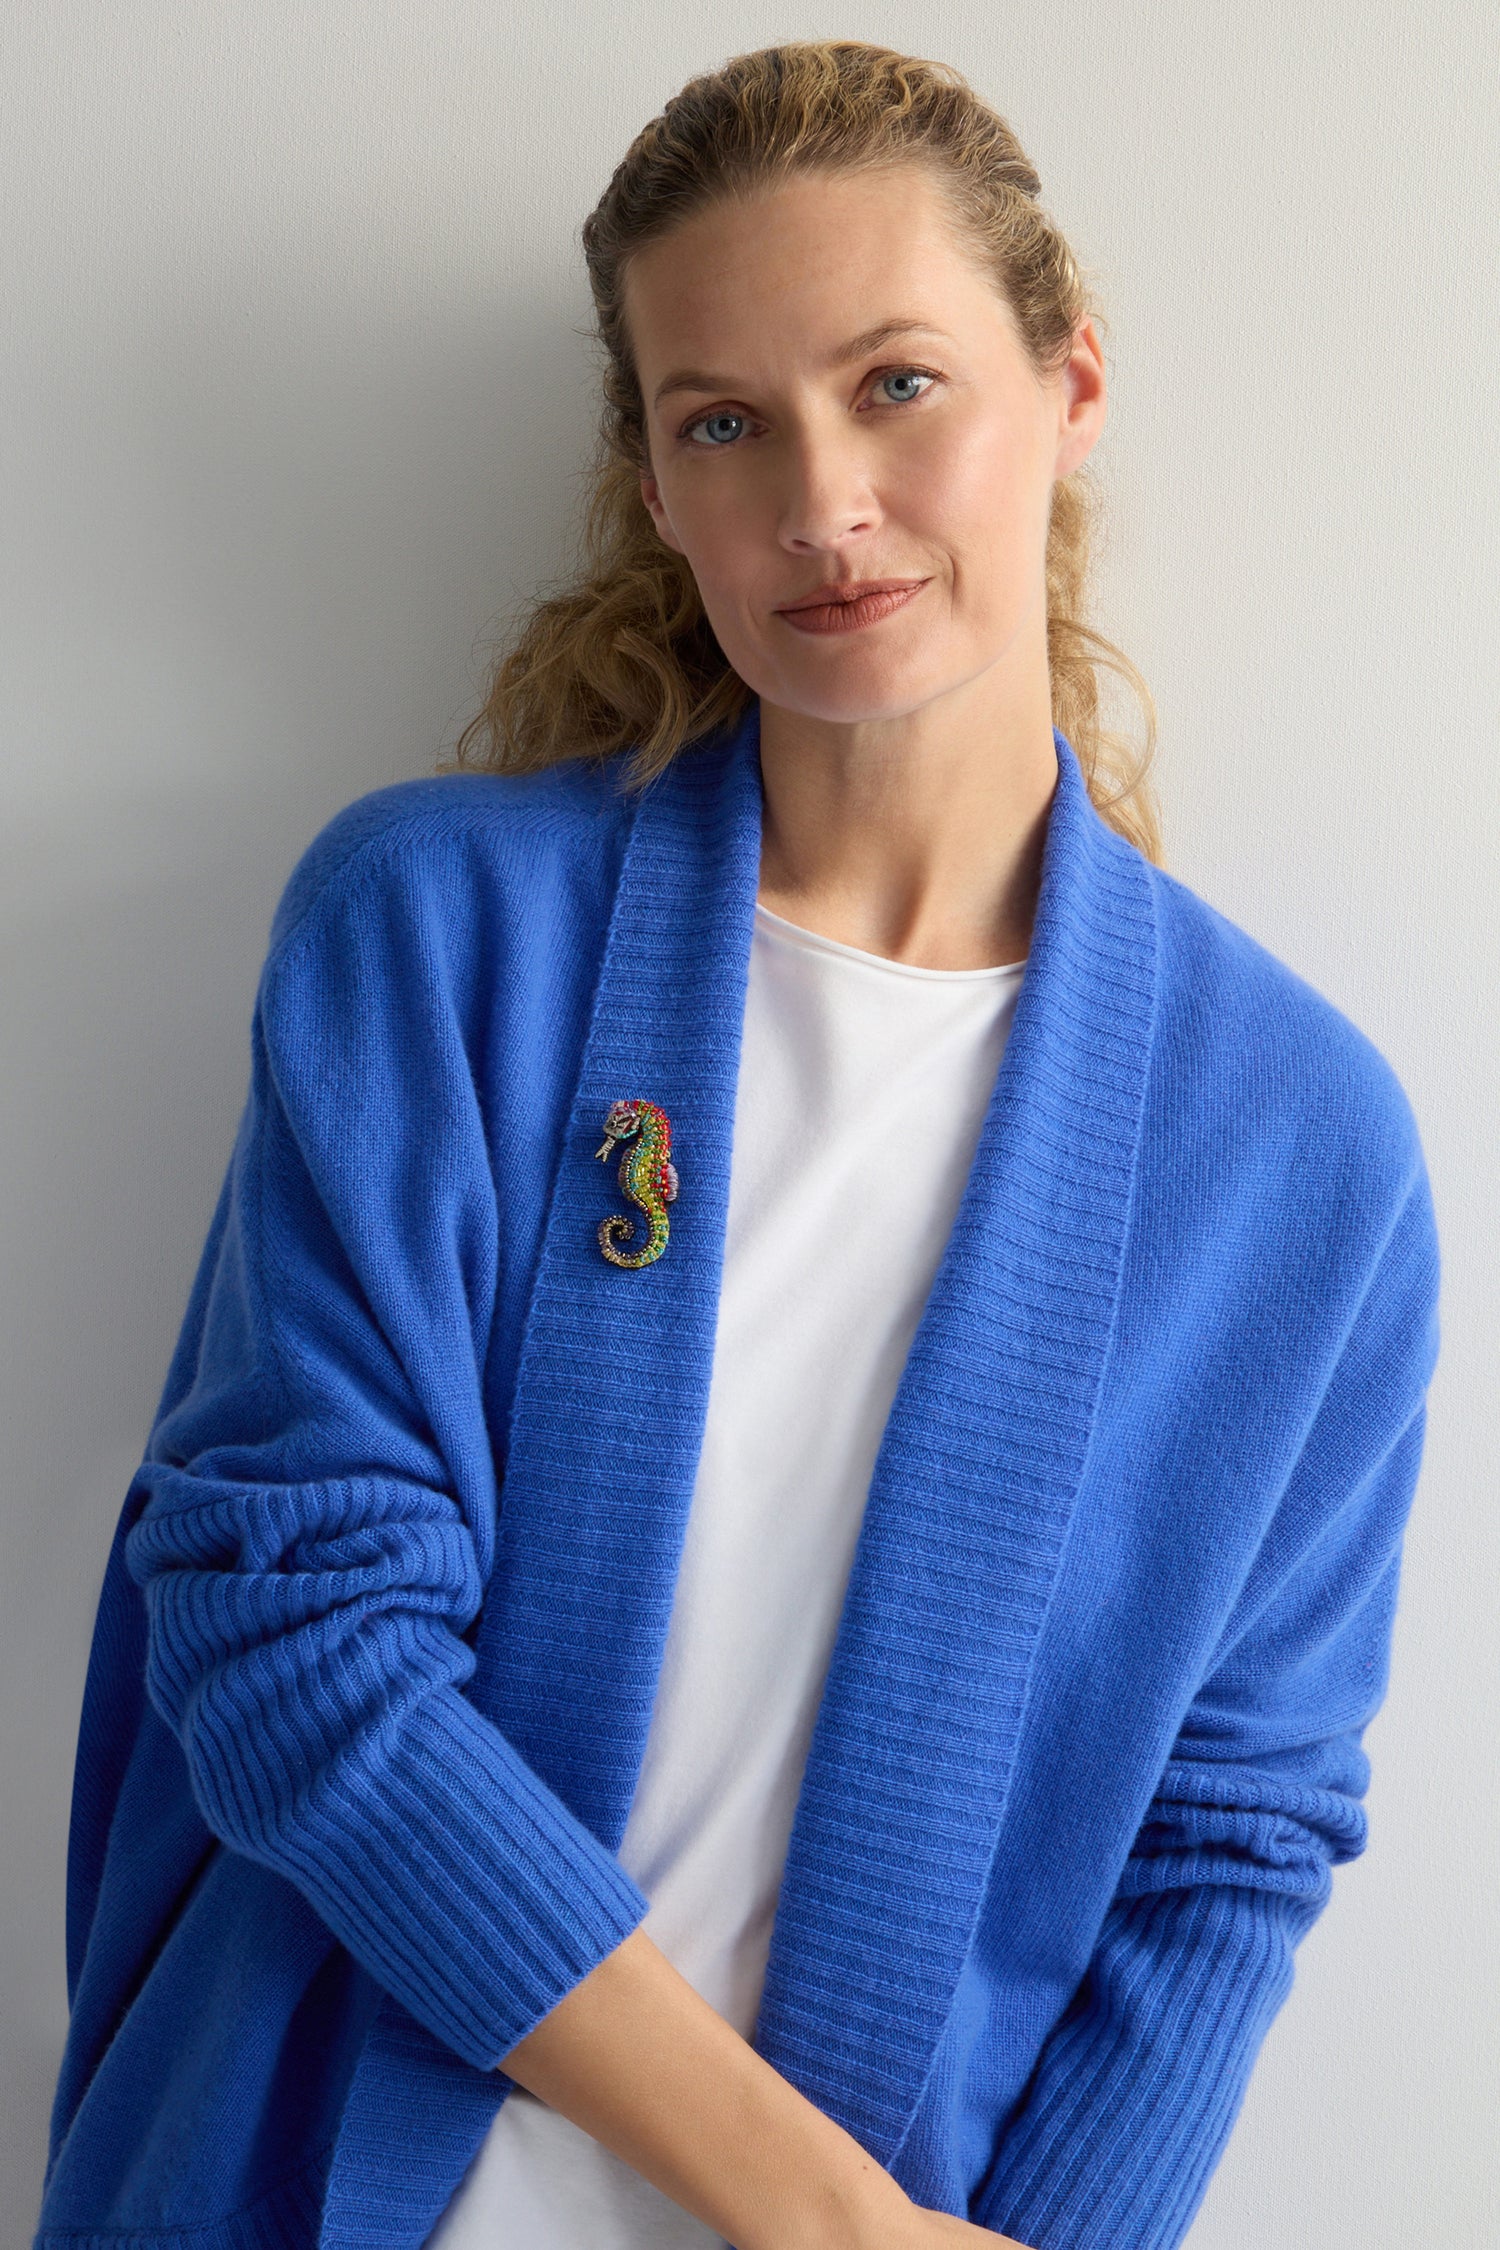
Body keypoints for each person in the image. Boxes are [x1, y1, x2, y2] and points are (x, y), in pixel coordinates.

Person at [36, 40, 1440, 2250]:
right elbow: (288, 1623)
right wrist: (820, 2218)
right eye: (726, 424)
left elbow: (1230, 1840)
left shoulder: (1303, 1154)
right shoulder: (440, 937)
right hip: (316, 2187)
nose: (823, 503)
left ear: (1069, 386)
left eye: (899, 385)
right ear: (656, 488)